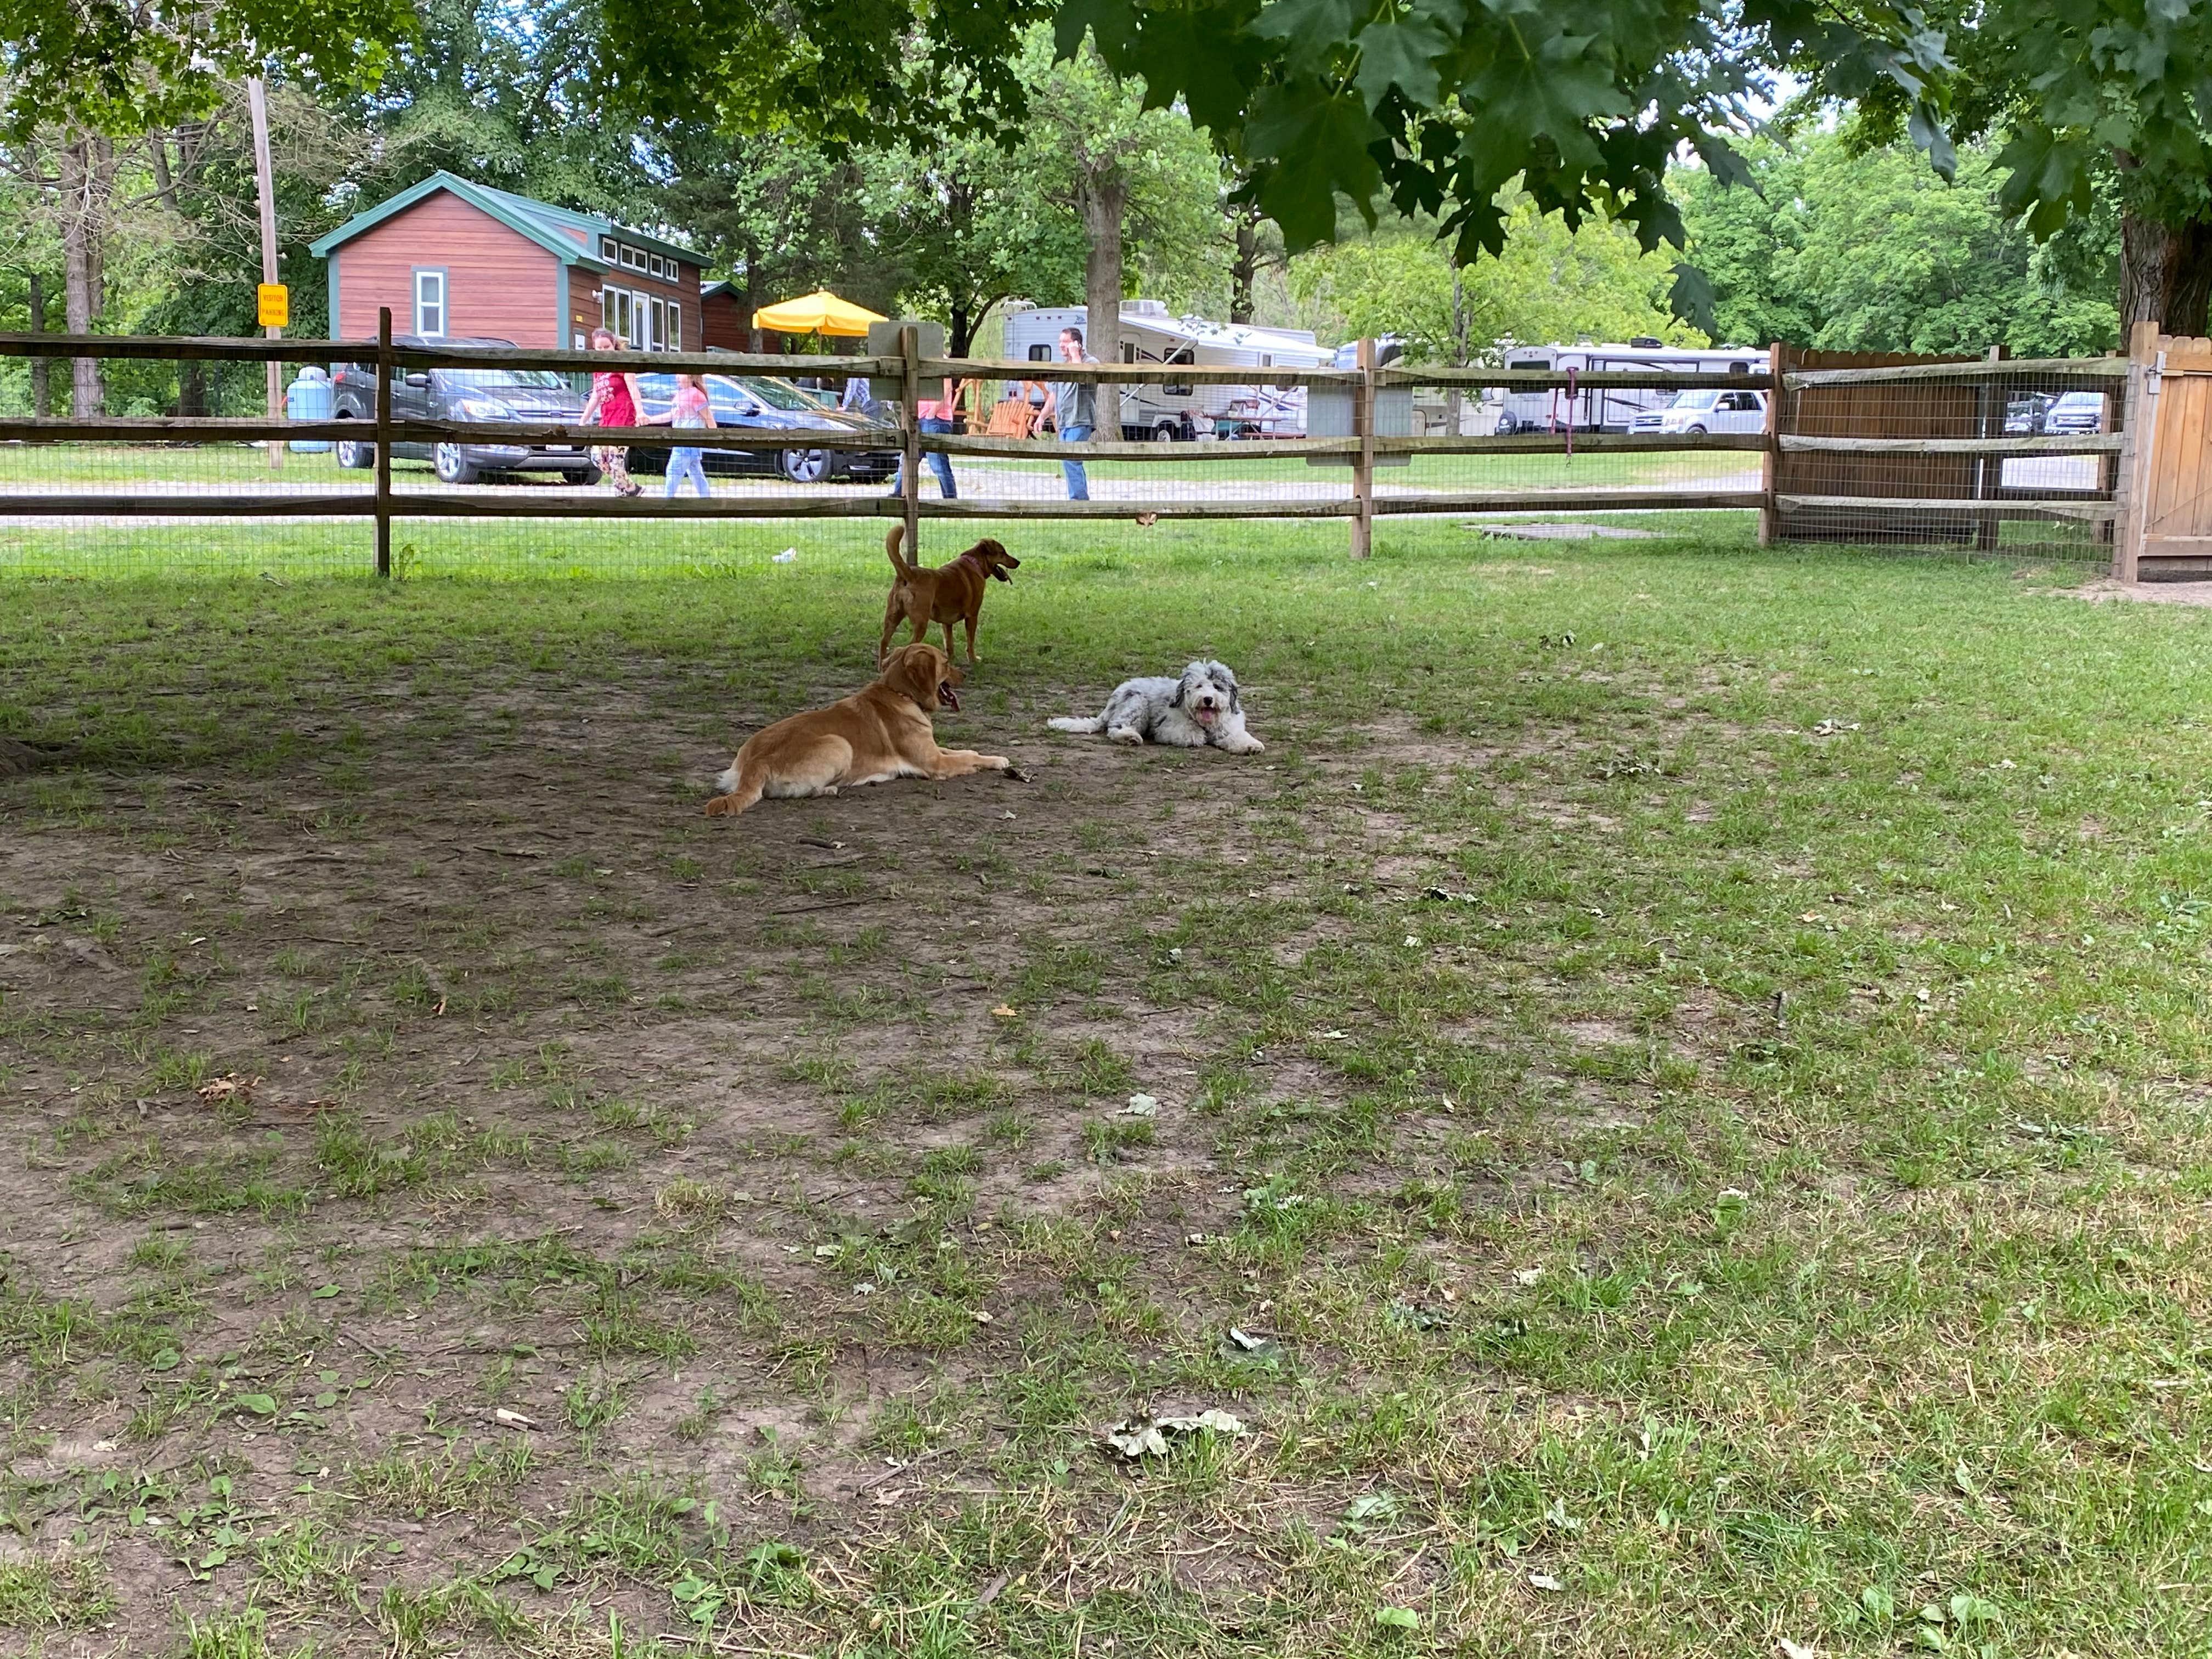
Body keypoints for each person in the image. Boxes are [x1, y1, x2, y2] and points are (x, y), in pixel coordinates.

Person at [578, 328, 645, 497]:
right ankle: (629, 488)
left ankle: (625, 493)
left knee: (616, 460)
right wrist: (584, 420)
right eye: (599, 348)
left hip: (623, 417)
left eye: (606, 347)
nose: (603, 351)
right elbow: (596, 396)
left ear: (614, 346)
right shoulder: (598, 369)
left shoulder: (623, 363)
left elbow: (633, 388)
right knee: (598, 457)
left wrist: (640, 412)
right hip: (606, 418)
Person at [888, 376, 968, 500]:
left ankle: (951, 501)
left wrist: (932, 412)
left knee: (938, 463)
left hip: (937, 420)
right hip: (919, 419)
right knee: (908, 458)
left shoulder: (942, 362)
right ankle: (898, 495)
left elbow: (948, 389)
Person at [1042, 328, 1099, 500]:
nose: (1061, 345)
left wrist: (1075, 355)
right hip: (1064, 422)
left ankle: (1078, 500)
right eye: (1060, 341)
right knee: (1070, 460)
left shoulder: (1090, 362)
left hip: (1081, 420)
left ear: (1077, 344)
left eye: (1065, 342)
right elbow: (1054, 395)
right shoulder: (1062, 366)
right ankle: (1079, 498)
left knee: (1071, 458)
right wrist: (1042, 416)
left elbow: (1082, 377)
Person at [659, 372, 716, 498]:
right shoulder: (679, 395)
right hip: (681, 441)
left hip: (688, 441)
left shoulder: (696, 395)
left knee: (673, 472)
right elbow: (673, 415)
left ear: (691, 376)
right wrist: (650, 420)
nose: (677, 377)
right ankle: (707, 500)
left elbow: (710, 420)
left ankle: (666, 503)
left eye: (681, 374)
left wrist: (716, 439)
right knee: (696, 473)